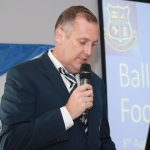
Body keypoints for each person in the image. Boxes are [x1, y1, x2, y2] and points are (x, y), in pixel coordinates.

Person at [0, 5, 116, 150]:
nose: (89, 51)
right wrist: (67, 113)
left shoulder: (96, 83)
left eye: (93, 44)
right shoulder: (23, 76)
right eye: (82, 42)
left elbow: (103, 139)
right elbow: (11, 142)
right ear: (60, 36)